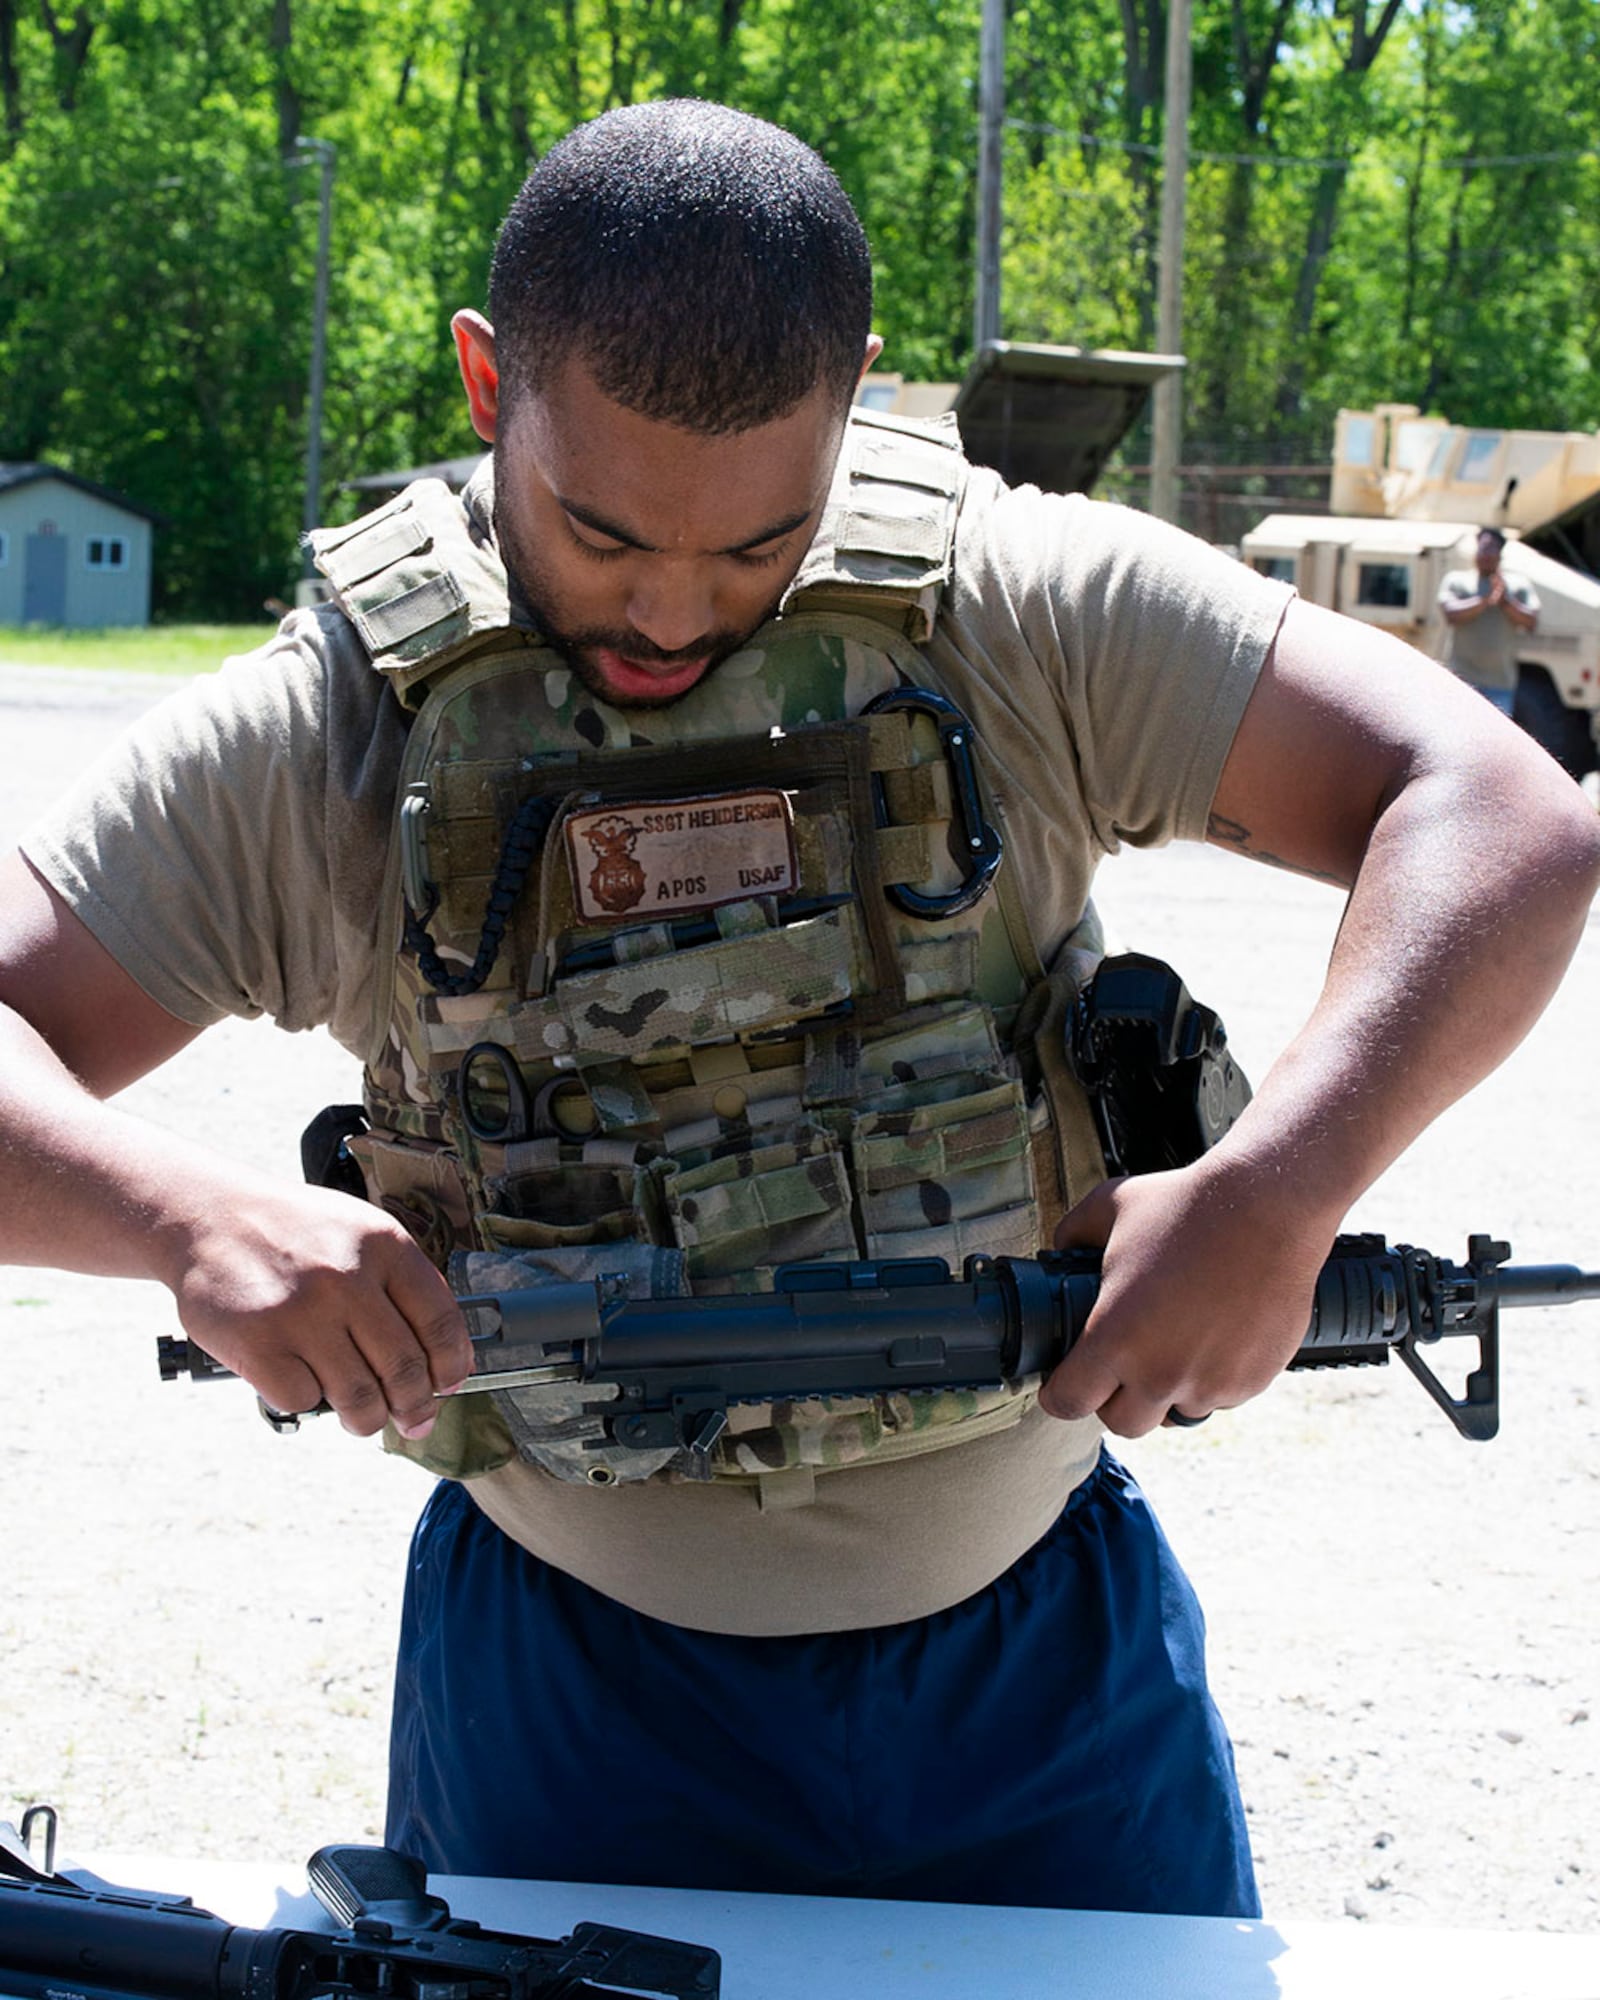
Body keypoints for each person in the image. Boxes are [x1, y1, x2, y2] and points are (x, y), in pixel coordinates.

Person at [1, 101, 1596, 1917]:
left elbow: (1505, 822)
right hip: (565, 1701)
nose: (672, 613)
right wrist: (179, 1219)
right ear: (483, 384)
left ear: (858, 399)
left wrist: (1278, 1188)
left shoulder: (1012, 609)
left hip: (1042, 1676)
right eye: (602, 532)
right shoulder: (341, 734)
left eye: (758, 544)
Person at [1437, 525, 1540, 714]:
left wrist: (1505, 603)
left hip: (1500, 683)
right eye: (1482, 547)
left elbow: (1531, 621)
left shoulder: (1517, 585)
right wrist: (1485, 601)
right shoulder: (1457, 581)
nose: (1485, 553)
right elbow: (1451, 614)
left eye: (1491, 548)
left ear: (1500, 553)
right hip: (1462, 680)